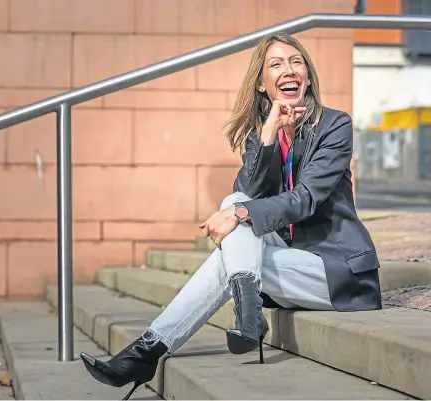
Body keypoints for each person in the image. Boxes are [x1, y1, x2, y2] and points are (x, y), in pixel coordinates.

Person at [79, 32, 382, 400]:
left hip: (336, 273)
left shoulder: (334, 125)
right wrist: (268, 135)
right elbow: (247, 194)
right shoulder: (261, 135)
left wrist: (237, 213)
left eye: (296, 62)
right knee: (235, 198)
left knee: (234, 223)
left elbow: (304, 200)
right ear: (262, 84)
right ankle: (244, 312)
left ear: (307, 74)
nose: (289, 70)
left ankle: (150, 350)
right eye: (276, 64)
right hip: (288, 265)